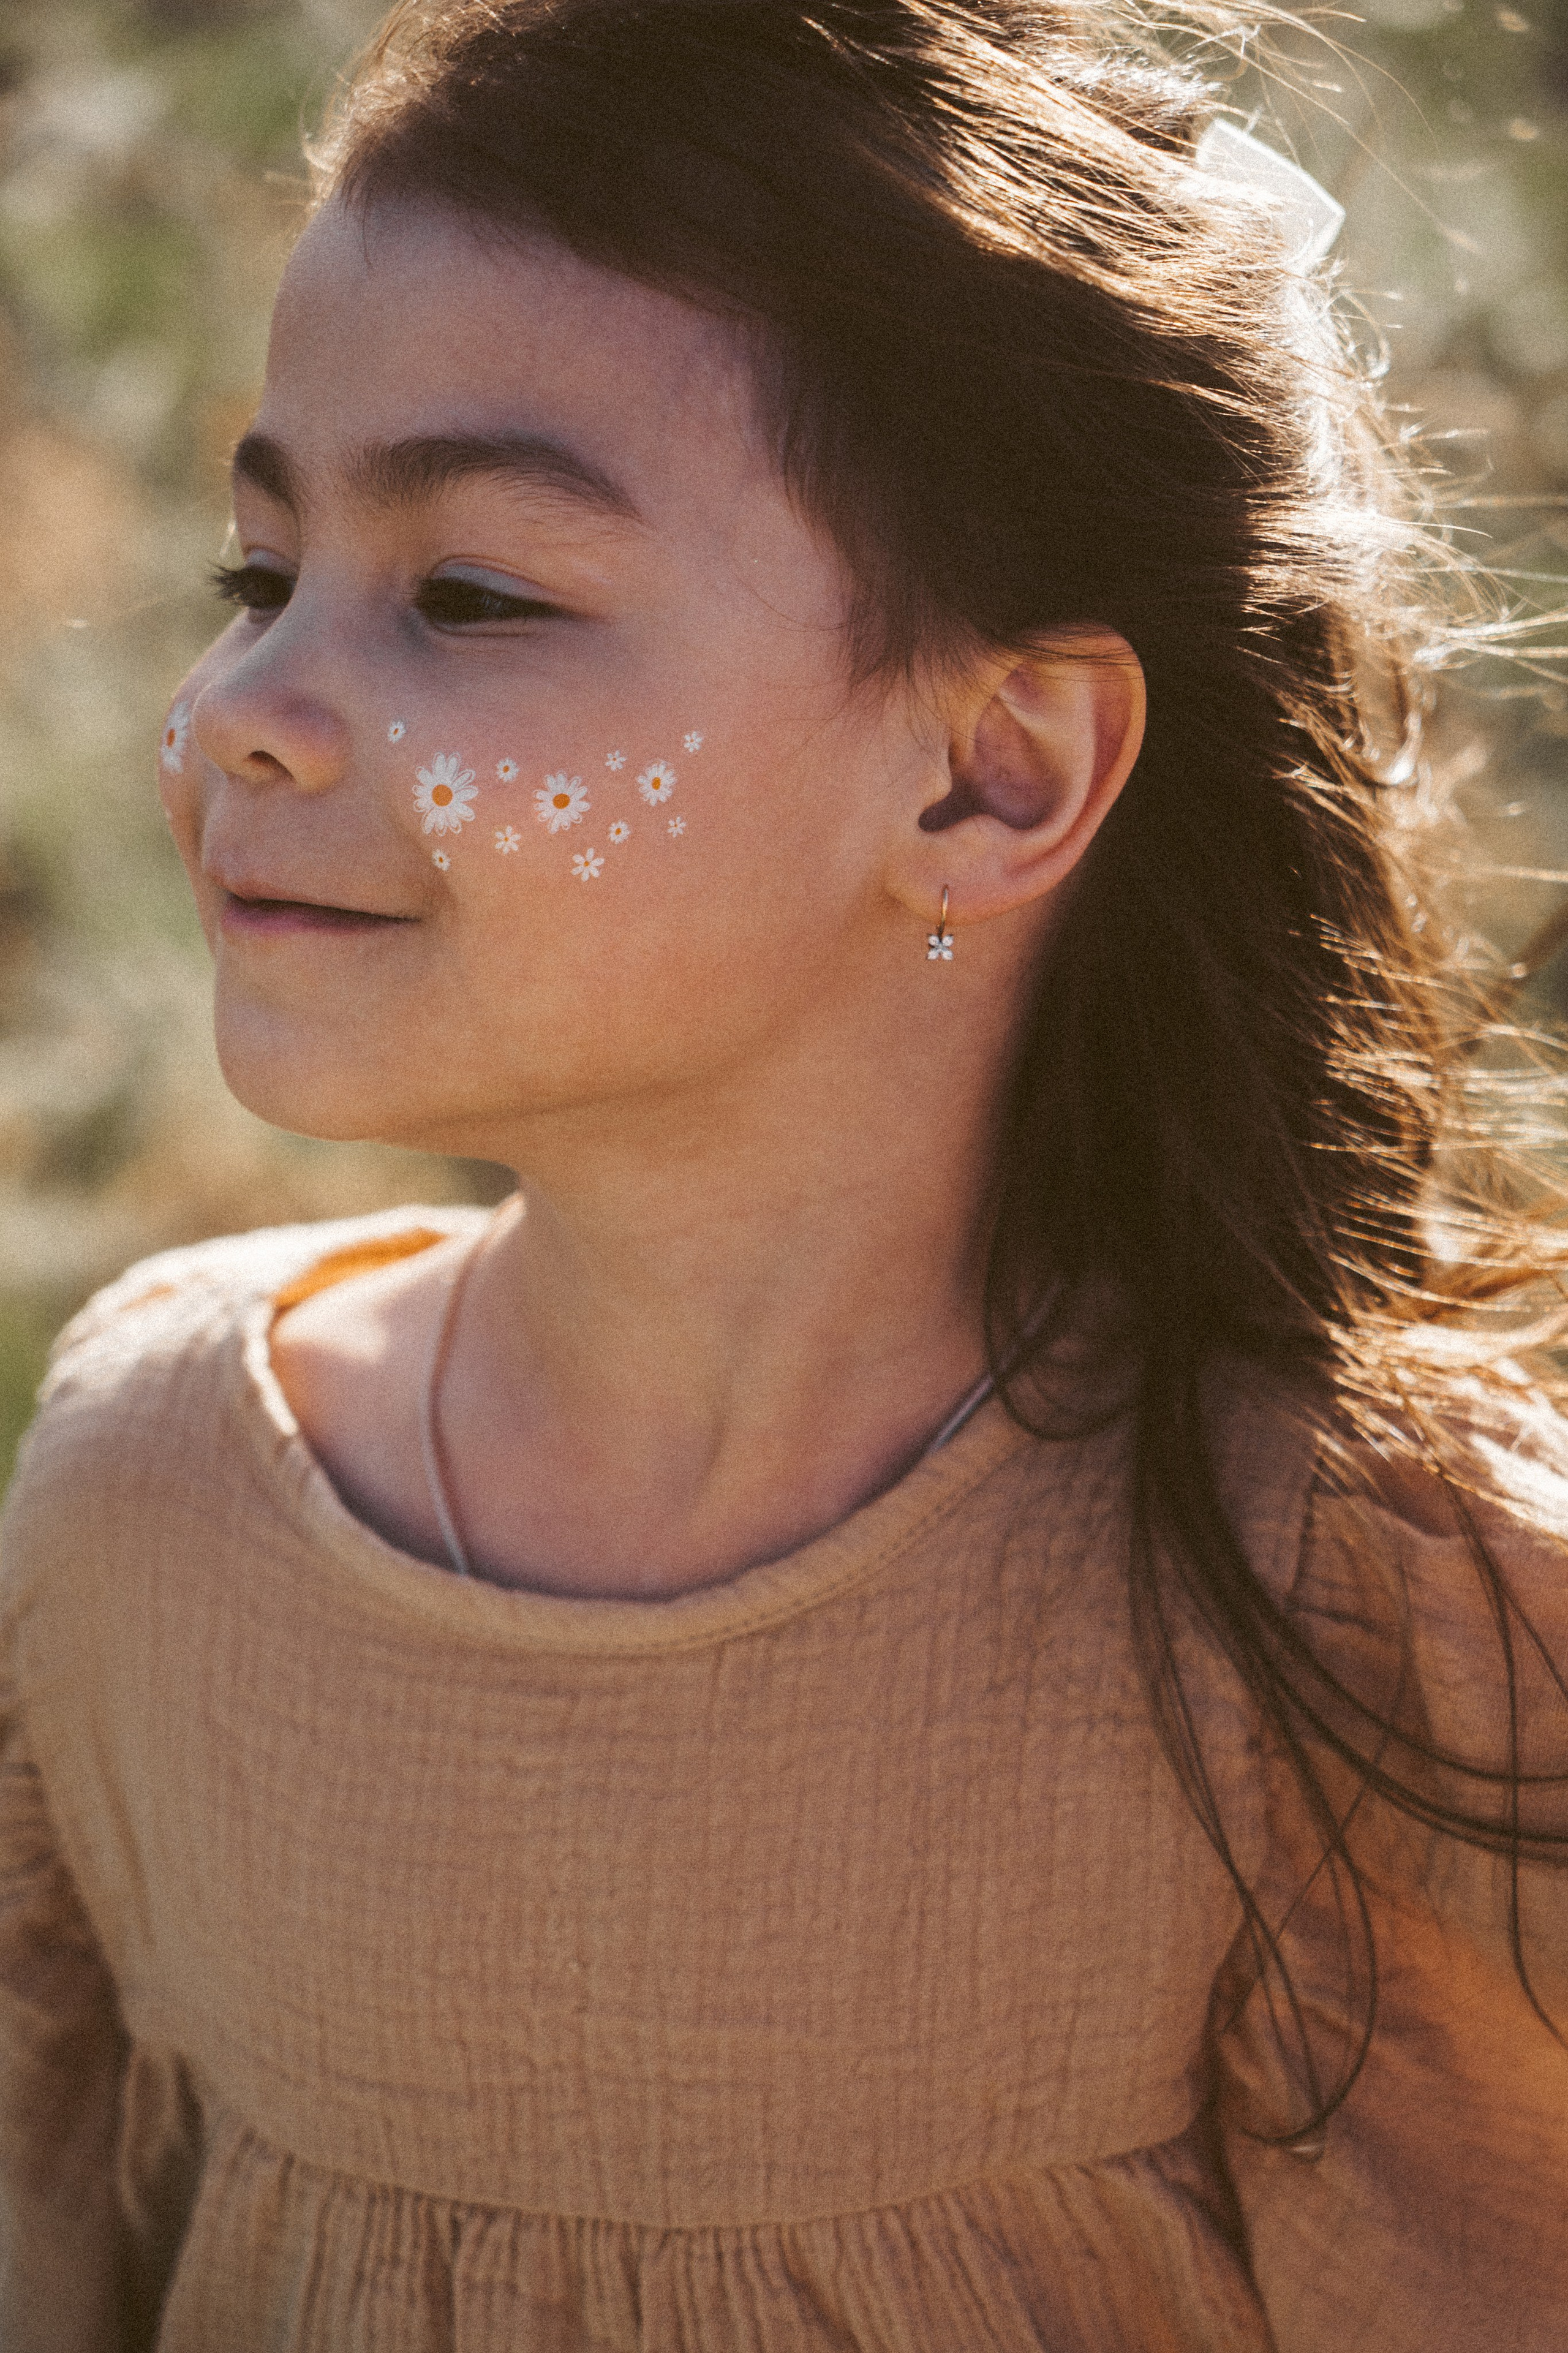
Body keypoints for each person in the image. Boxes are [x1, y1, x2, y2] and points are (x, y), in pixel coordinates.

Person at [3, 0, 1567, 2343]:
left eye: (476, 594)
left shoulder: (1368, 1625)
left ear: (991, 773)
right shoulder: (141, 1506)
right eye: (260, 575)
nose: (240, 708)